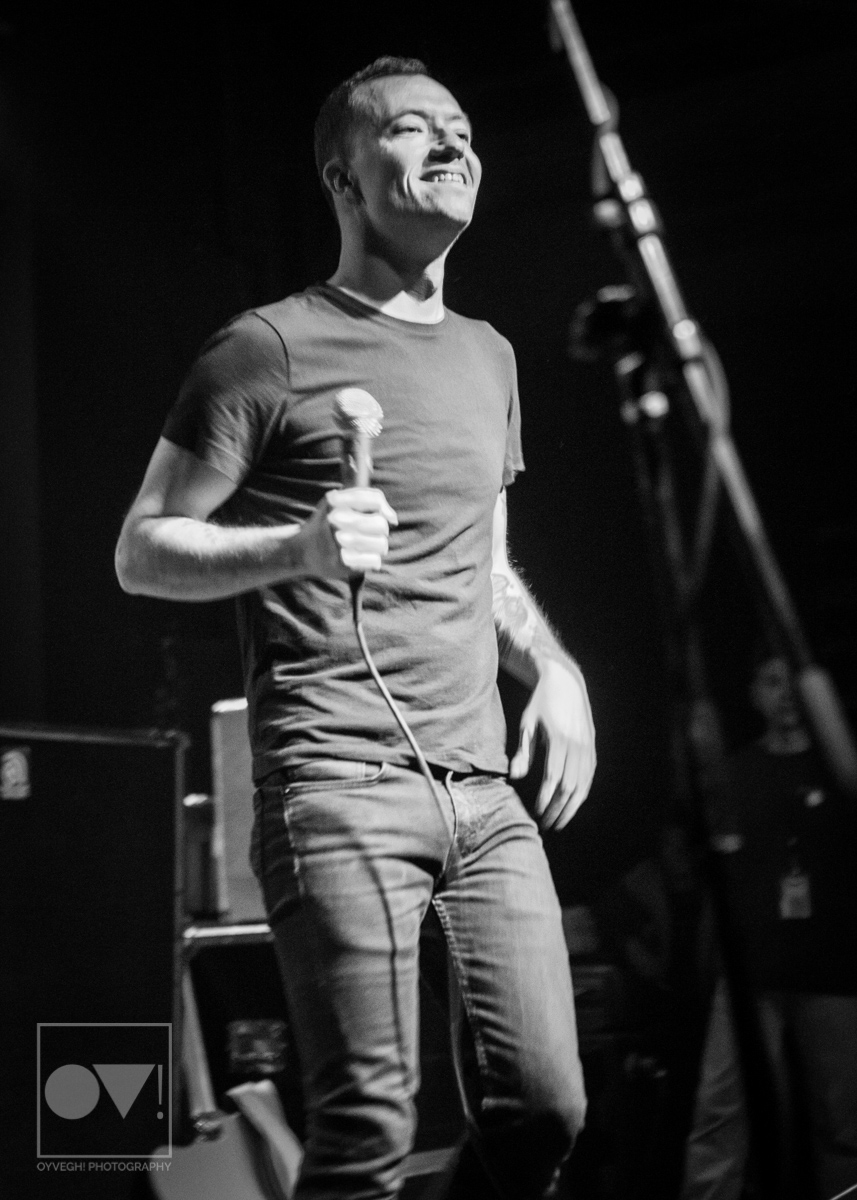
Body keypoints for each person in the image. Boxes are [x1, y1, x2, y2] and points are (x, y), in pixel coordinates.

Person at [115, 56, 596, 1200]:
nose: (452, 143)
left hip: (481, 791)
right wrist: (294, 548)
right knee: (365, 1136)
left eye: (460, 127)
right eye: (413, 128)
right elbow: (140, 550)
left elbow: (483, 563)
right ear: (342, 178)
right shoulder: (265, 348)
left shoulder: (488, 355)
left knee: (544, 1112)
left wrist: (555, 669)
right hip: (336, 781)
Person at [681, 653, 857, 1200]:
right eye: (771, 682)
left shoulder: (839, 766)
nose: (784, 694)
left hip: (832, 971)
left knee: (845, 1125)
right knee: (719, 1116)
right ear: (755, 693)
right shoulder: (738, 773)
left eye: (792, 682)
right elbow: (720, 877)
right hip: (752, 973)